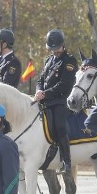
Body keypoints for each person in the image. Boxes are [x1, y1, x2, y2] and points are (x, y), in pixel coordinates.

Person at [34, 29, 77, 172]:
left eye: (57, 48)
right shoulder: (48, 60)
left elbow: (65, 84)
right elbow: (40, 79)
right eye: (52, 49)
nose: (55, 51)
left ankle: (67, 161)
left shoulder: (69, 61)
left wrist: (45, 93)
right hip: (44, 100)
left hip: (60, 101)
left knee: (59, 125)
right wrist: (39, 91)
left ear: (63, 45)